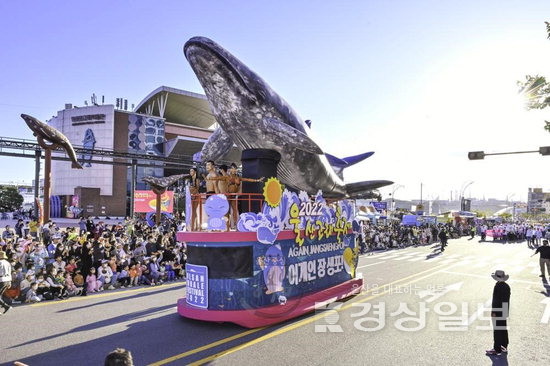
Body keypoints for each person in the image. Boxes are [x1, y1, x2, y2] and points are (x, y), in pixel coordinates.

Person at [486, 270, 511, 356]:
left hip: (498, 311)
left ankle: (497, 349)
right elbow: (505, 301)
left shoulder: (498, 286)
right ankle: (504, 345)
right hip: (504, 310)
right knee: (503, 328)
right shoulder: (506, 286)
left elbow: (496, 301)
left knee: (497, 330)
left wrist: (494, 312)